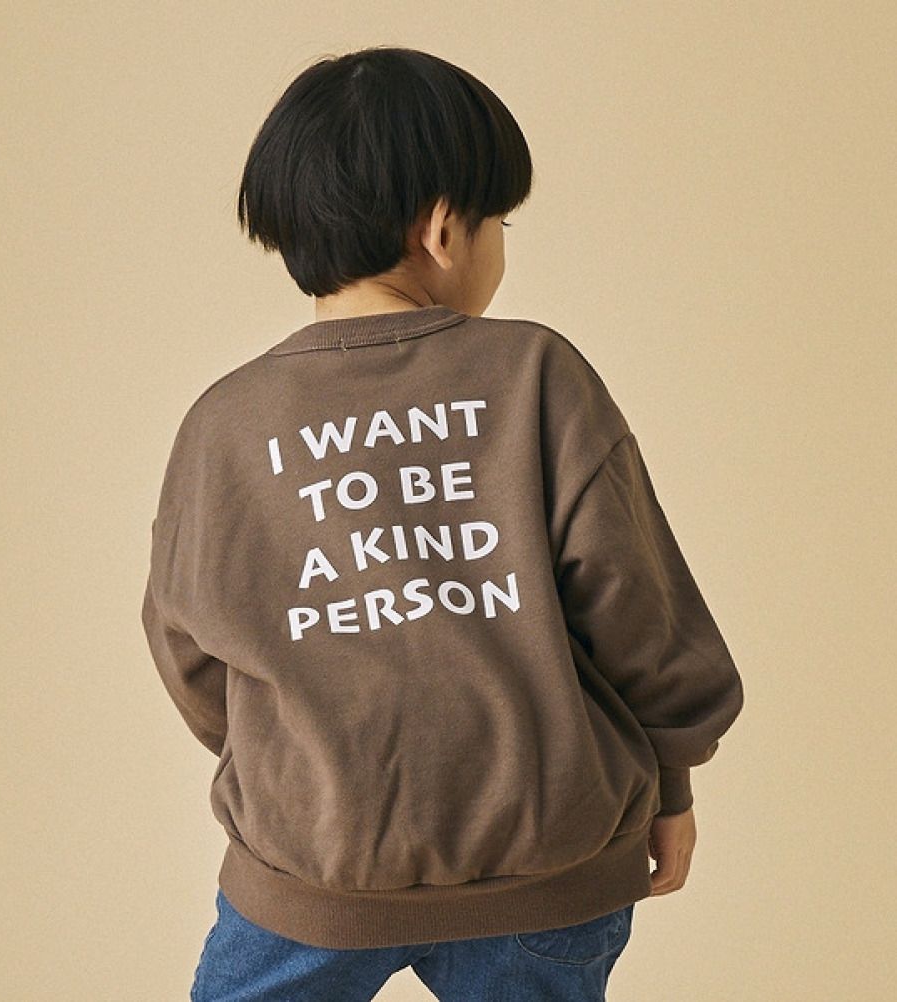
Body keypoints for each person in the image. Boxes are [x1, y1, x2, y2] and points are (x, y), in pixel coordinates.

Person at [141, 44, 745, 1002]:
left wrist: (298, 762)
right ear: (442, 229)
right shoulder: (535, 375)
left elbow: (187, 646)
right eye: (501, 220)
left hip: (315, 872)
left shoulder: (227, 422)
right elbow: (634, 603)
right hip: (546, 864)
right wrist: (671, 780)